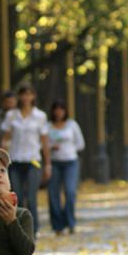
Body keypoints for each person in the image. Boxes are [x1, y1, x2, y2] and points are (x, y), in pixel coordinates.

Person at [1, 83, 50, 235]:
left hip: (33, 160)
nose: (26, 98)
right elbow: (6, 139)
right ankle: (20, 227)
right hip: (15, 160)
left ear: (33, 96)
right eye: (23, 94)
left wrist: (48, 164)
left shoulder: (40, 116)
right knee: (18, 197)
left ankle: (34, 229)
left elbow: (44, 141)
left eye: (29, 94)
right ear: (19, 97)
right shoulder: (11, 116)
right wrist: (1, 159)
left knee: (32, 196)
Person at [46, 100, 85, 235]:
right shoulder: (48, 126)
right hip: (54, 162)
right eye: (56, 109)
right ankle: (57, 225)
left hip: (70, 162)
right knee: (53, 194)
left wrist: (69, 148)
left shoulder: (72, 125)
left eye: (61, 109)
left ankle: (70, 222)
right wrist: (51, 148)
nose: (58, 112)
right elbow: (43, 144)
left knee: (70, 191)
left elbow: (80, 144)